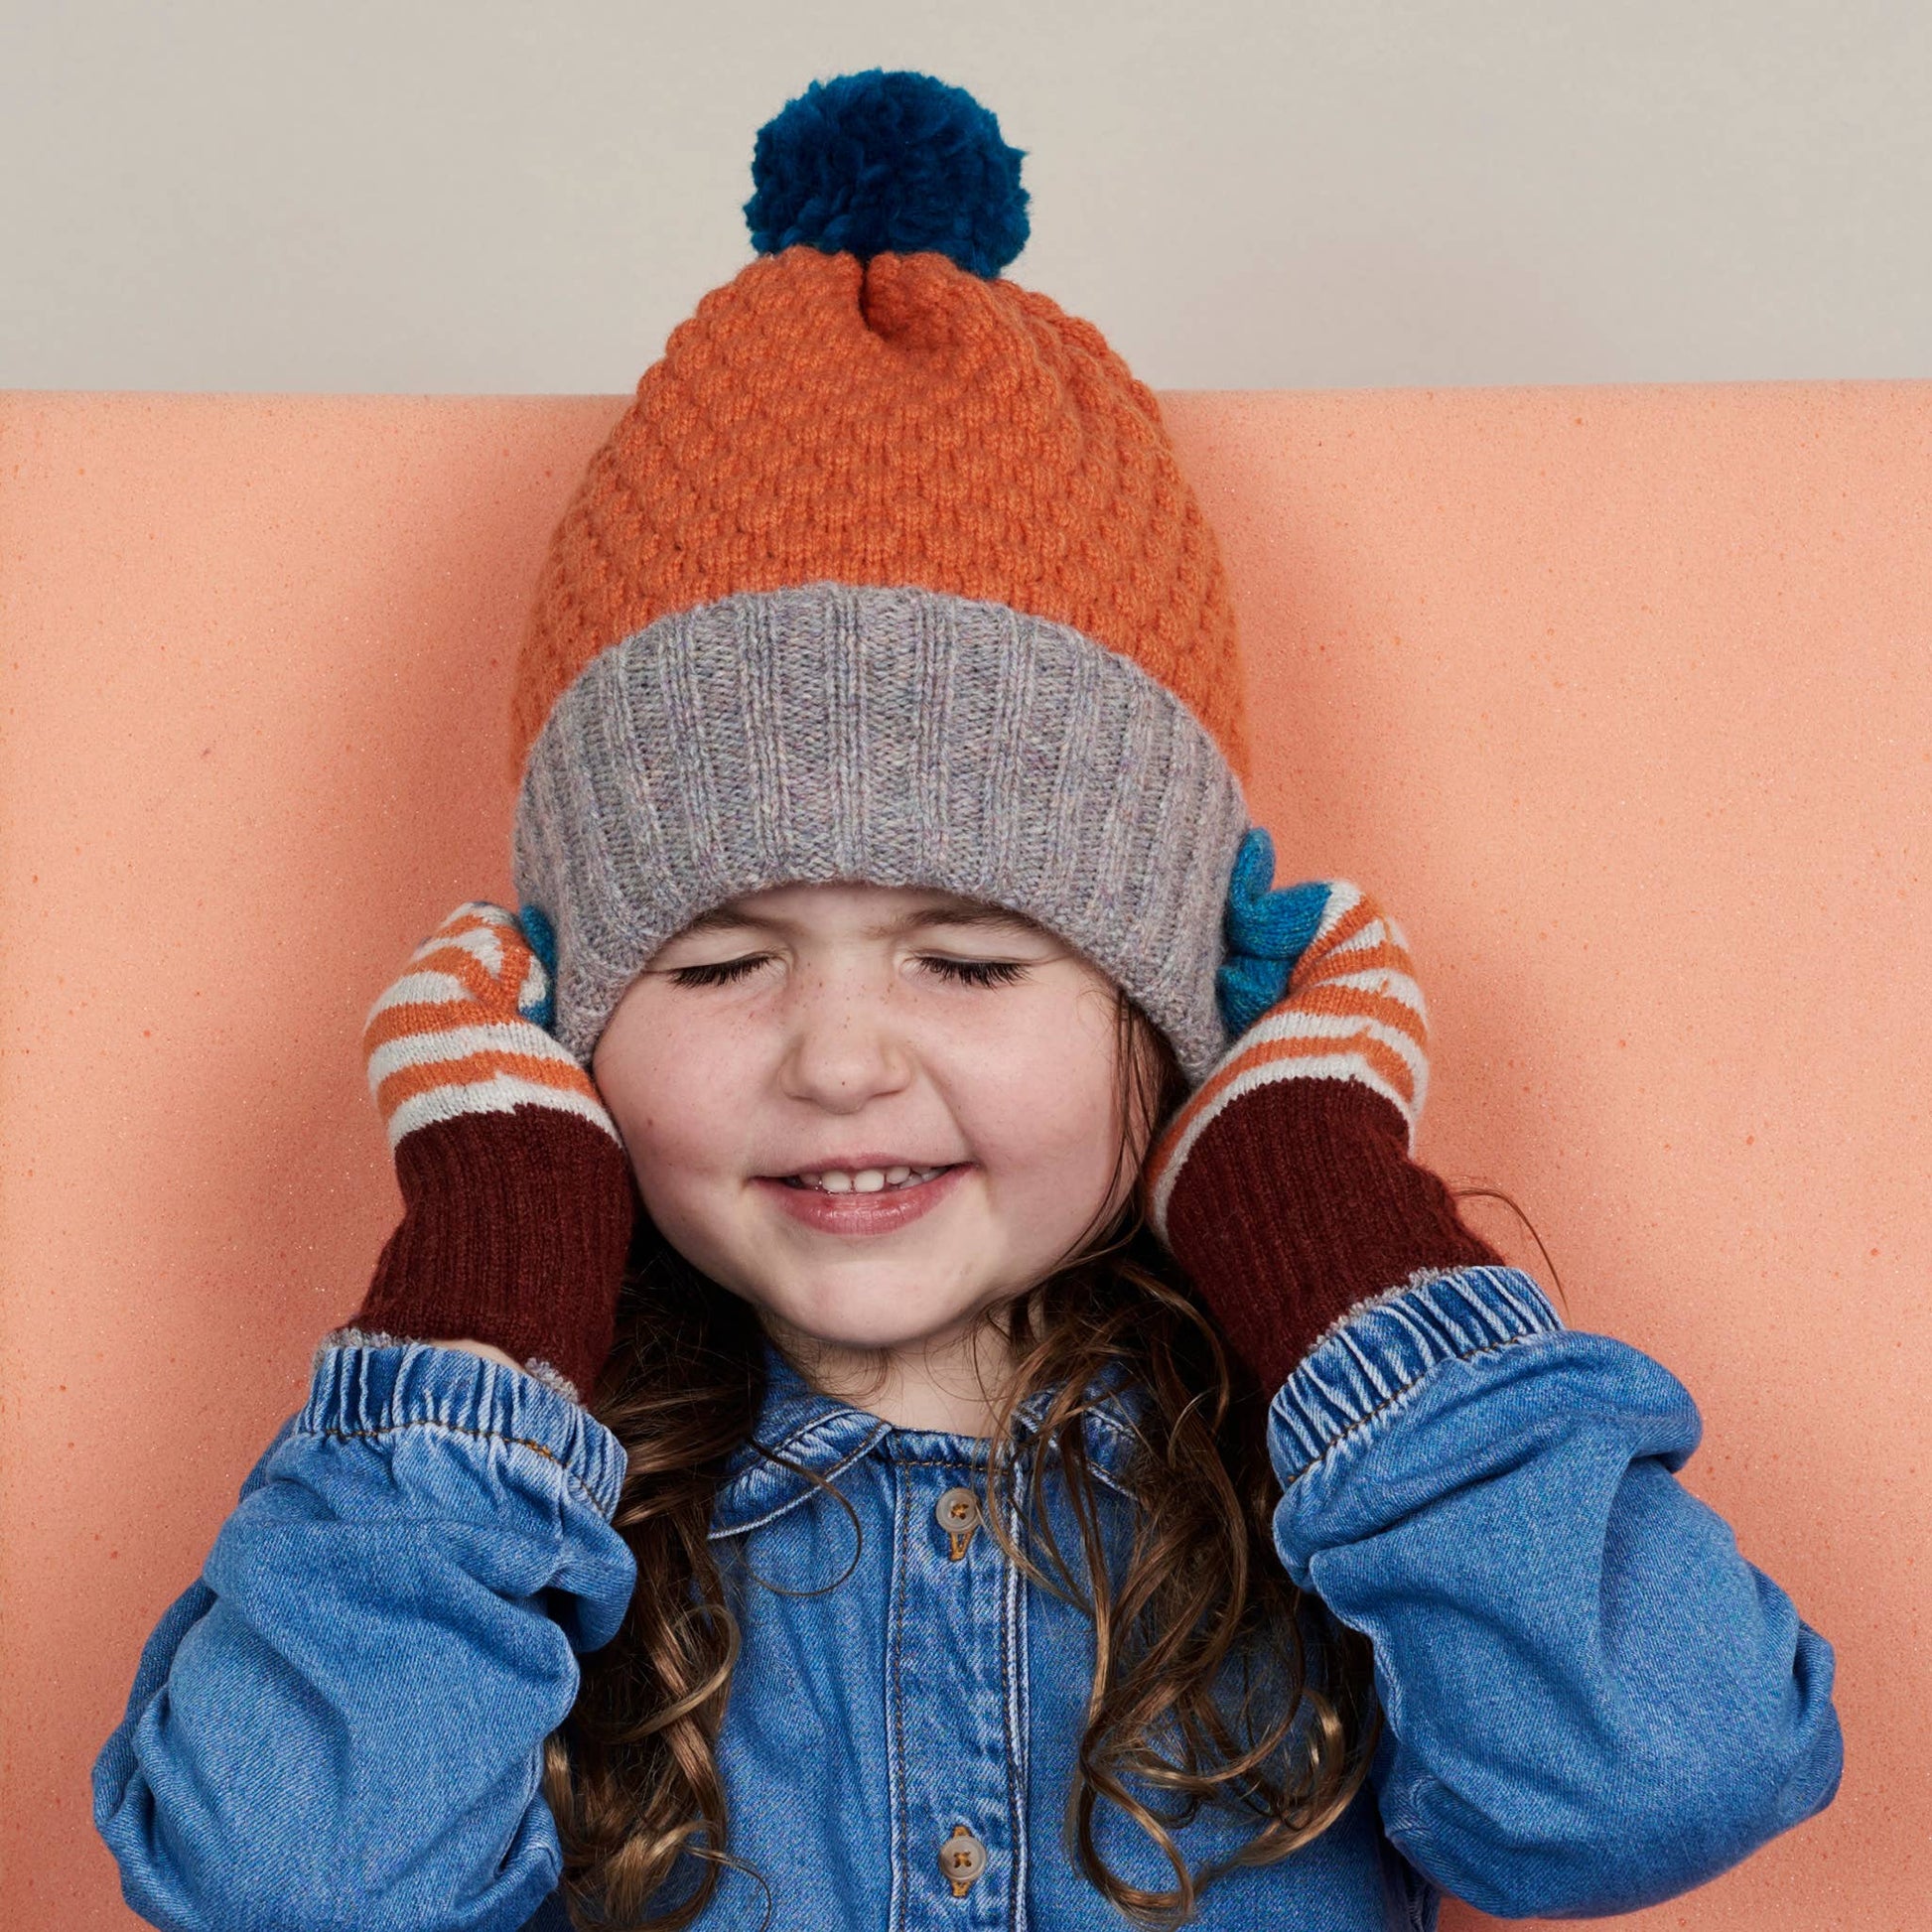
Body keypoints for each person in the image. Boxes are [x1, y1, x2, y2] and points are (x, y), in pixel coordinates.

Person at [92, 69, 1842, 1932]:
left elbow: (1662, 1776)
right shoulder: (529, 1506)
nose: (841, 1057)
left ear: (1160, 1013)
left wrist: (1306, 1199)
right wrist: (495, 1264)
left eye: (975, 956)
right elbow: (288, 1885)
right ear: (555, 1027)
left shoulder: (1291, 1477)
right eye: (716, 959)